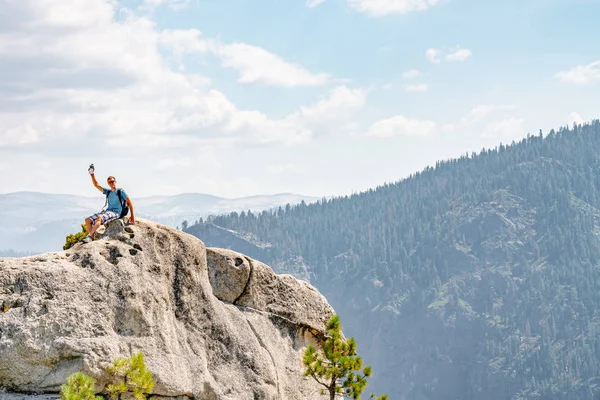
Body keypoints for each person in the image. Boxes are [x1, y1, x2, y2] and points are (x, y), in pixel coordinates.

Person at [82, 166, 135, 243]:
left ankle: (89, 236)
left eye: (113, 181)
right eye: (110, 182)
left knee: (99, 218)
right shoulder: (108, 192)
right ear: (108, 183)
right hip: (108, 211)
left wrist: (132, 216)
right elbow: (96, 185)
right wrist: (92, 174)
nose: (112, 183)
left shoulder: (121, 191)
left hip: (116, 213)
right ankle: (92, 238)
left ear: (115, 181)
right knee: (87, 220)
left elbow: (129, 203)